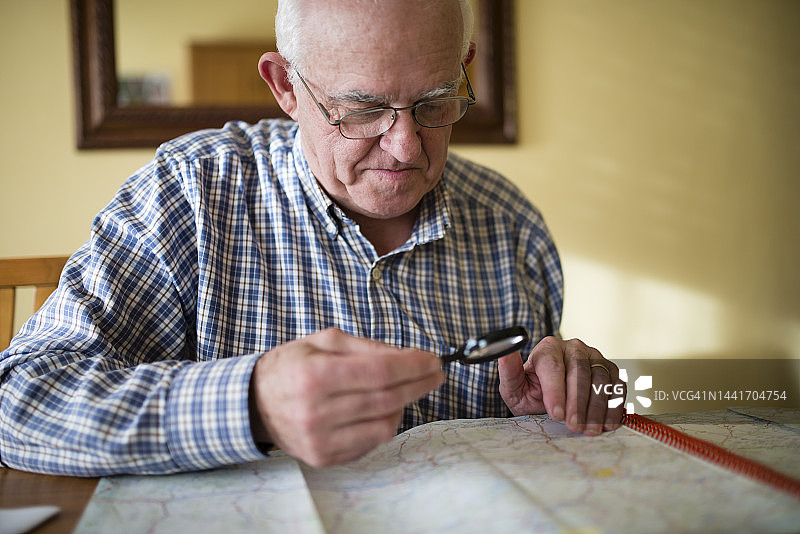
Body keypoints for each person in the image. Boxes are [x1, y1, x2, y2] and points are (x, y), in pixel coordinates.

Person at [0, 0, 624, 477]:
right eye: (362, 109)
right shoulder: (189, 195)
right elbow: (20, 401)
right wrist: (252, 406)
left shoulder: (512, 226)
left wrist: (562, 404)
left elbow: (544, 436)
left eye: (434, 102)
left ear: (464, 68)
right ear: (286, 87)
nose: (405, 147)